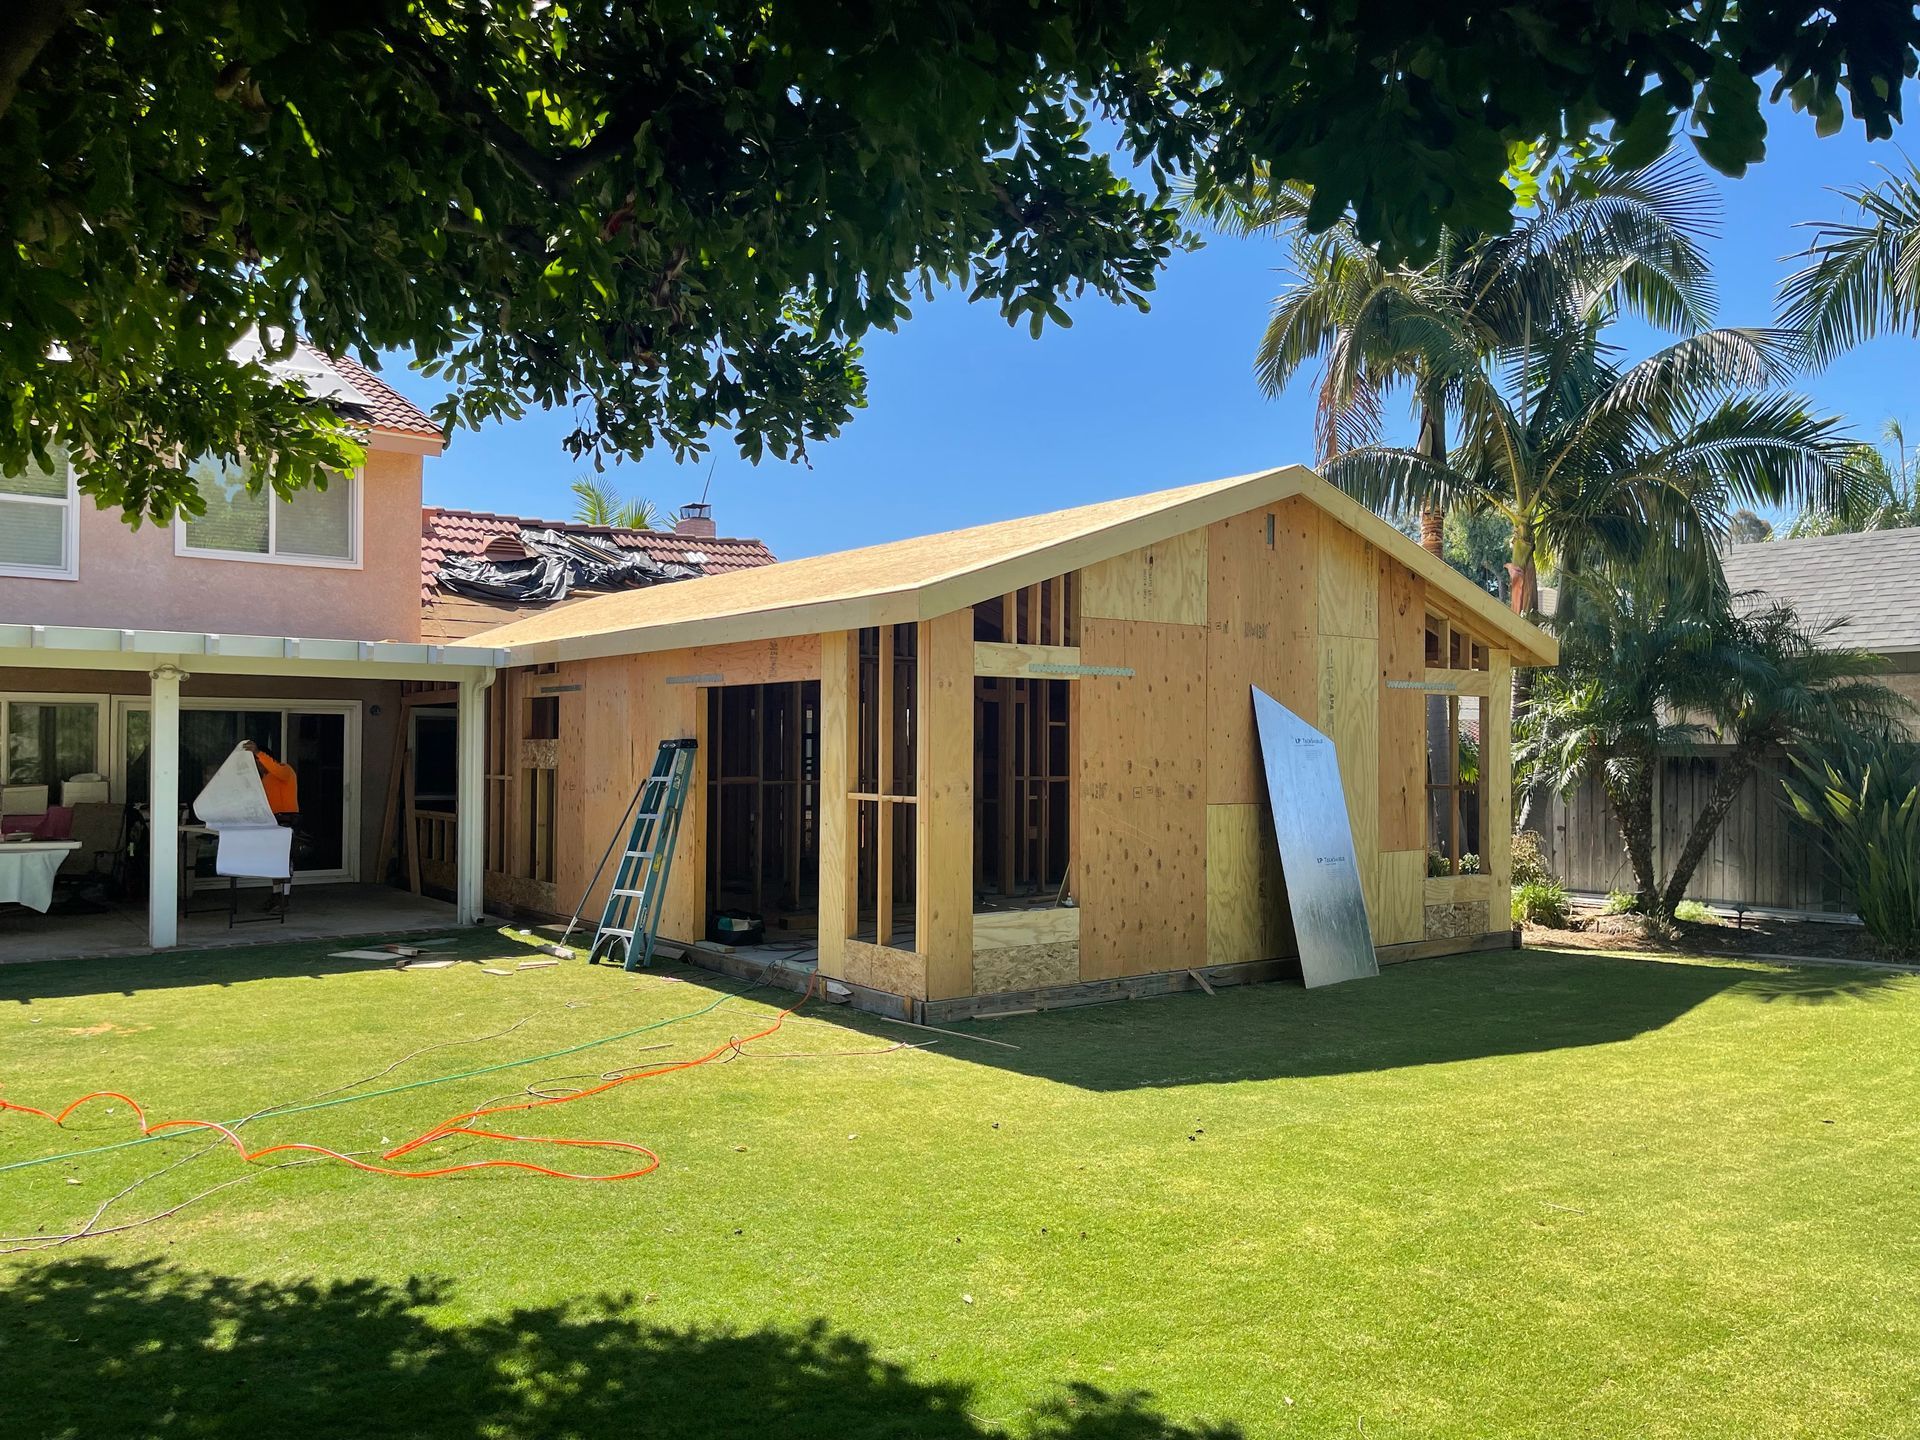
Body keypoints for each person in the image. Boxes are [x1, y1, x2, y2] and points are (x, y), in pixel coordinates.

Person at [241, 740, 298, 913]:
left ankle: (285, 898)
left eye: (255, 762)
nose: (255, 767)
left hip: (287, 819)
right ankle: (275, 895)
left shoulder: (285, 770)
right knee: (273, 860)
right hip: (271, 820)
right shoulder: (265, 778)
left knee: (285, 860)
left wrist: (258, 753)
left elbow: (276, 770)